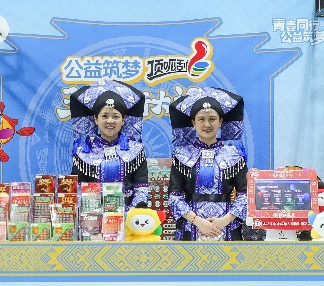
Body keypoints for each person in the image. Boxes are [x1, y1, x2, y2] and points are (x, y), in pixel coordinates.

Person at [168, 86, 248, 241]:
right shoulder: (182, 155)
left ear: (220, 122)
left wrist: (224, 221)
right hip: (191, 226)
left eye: (212, 119)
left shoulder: (234, 154)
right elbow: (174, 196)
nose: (207, 124)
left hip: (227, 226)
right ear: (193, 122)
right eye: (201, 119)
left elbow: (245, 194)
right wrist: (198, 222)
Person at [68, 80, 150, 208]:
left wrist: (133, 213)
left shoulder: (135, 150)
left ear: (123, 120)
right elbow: (77, 190)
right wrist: (92, 215)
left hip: (129, 215)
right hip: (92, 215)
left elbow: (141, 187)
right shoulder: (83, 152)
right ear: (96, 119)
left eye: (115, 116)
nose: (110, 121)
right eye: (105, 116)